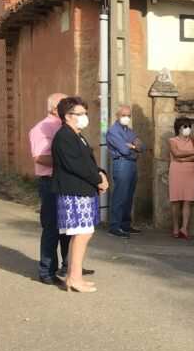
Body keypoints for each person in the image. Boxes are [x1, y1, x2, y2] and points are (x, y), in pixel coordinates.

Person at [51, 96, 108, 293]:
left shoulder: (77, 136)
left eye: (85, 113)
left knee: (83, 233)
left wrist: (101, 174)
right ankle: (73, 279)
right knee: (82, 234)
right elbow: (76, 165)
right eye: (80, 113)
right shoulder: (64, 136)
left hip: (83, 190)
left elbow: (88, 163)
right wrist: (98, 179)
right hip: (73, 191)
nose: (85, 117)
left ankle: (74, 276)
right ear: (67, 116)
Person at [29, 92, 71, 285]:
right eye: (67, 105)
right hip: (51, 183)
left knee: (68, 228)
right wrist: (67, 160)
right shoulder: (42, 128)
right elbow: (39, 157)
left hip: (66, 182)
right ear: (55, 108)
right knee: (52, 228)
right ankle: (47, 271)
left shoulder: (64, 126)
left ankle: (69, 265)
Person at [105, 104, 143, 238]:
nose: (126, 118)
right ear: (117, 116)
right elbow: (124, 150)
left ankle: (125, 225)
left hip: (131, 163)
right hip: (121, 163)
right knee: (120, 195)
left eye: (128, 115)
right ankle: (114, 226)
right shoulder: (113, 131)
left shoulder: (128, 130)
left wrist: (132, 146)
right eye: (123, 115)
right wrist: (133, 146)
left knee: (128, 196)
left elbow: (141, 146)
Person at [167, 117, 194, 240]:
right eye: (185, 126)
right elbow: (176, 153)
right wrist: (191, 153)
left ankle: (184, 228)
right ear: (178, 128)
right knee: (175, 200)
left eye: (189, 126)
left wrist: (183, 159)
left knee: (187, 200)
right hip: (176, 172)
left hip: (190, 172)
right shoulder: (172, 140)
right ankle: (175, 227)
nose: (188, 129)